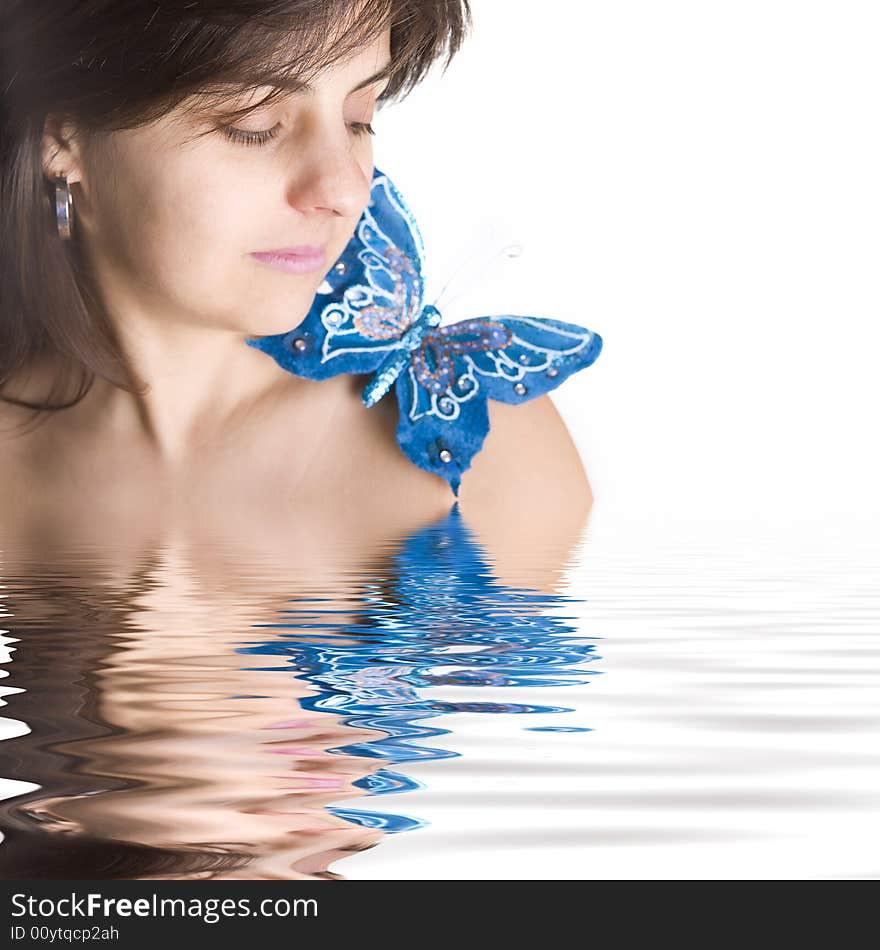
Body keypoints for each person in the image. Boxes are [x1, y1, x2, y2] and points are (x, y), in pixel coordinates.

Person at [0, 0, 592, 572]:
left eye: (360, 117)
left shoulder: (483, 456)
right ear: (66, 141)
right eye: (254, 125)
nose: (345, 190)